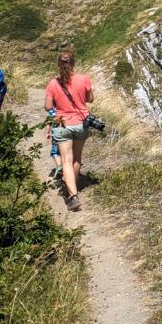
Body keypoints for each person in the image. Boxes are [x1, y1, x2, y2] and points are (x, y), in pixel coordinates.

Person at [44, 50, 93, 212]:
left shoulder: (52, 84)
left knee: (65, 160)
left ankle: (72, 196)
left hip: (62, 124)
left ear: (58, 64)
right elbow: (90, 99)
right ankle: (75, 185)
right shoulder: (83, 79)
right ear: (74, 63)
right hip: (81, 123)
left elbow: (48, 107)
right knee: (77, 157)